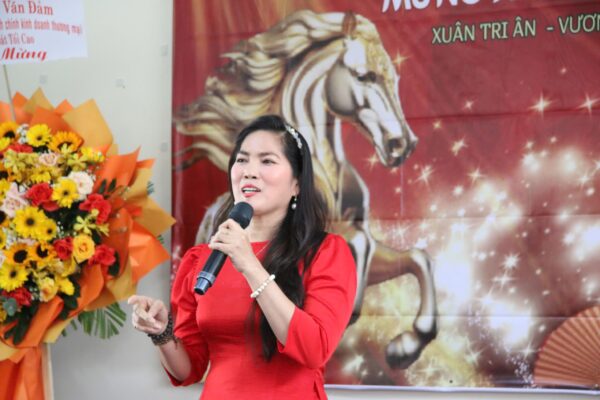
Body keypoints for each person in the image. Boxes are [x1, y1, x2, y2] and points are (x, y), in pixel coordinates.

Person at [128, 115, 357, 399]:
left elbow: (314, 349)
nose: (249, 172)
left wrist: (249, 264)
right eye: (242, 160)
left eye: (267, 161)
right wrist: (161, 333)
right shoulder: (200, 259)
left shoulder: (326, 252)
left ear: (296, 184)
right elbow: (189, 370)